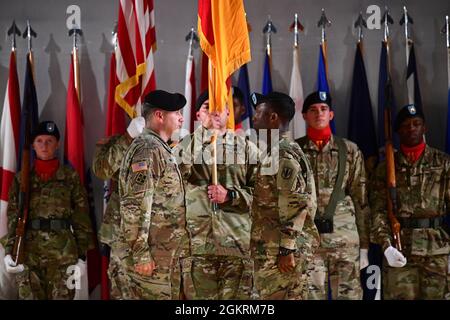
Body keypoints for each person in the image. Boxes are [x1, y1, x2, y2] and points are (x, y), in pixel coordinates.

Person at [175, 90, 258, 300]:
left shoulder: (248, 149)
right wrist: (204, 136)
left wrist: (231, 196)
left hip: (237, 245)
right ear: (197, 116)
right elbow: (171, 186)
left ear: (229, 112)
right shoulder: (183, 147)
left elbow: (264, 197)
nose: (214, 113)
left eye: (220, 107)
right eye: (207, 108)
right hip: (198, 246)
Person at [2, 121, 94, 299]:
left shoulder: (70, 177)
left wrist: (82, 256)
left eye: (49, 141)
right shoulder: (21, 179)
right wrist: (8, 252)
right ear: (33, 145)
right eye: (39, 141)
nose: (44, 146)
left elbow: (81, 217)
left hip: (63, 254)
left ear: (57, 144)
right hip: (28, 254)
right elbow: (14, 217)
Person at [370, 104, 450, 299]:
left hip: (436, 250)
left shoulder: (443, 162)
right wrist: (386, 245)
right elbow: (378, 211)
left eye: (416, 124)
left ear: (425, 128)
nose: (411, 128)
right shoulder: (385, 168)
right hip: (400, 249)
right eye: (406, 125)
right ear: (398, 131)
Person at [296, 91, 371, 300]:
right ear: (304, 116)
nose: (318, 113)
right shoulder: (294, 151)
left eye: (323, 109)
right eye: (312, 110)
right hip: (308, 240)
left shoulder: (349, 150)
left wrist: (365, 245)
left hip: (344, 239)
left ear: (331, 115)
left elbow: (361, 199)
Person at [116, 90, 188, 299]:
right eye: (177, 113)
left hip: (164, 256)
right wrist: (140, 254)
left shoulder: (160, 148)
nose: (182, 118)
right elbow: (135, 206)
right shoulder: (148, 149)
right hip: (151, 260)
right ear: (159, 116)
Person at [250, 91, 319, 299]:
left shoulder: (282, 153)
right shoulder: (274, 151)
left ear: (273, 117)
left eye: (258, 112)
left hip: (281, 252)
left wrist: (286, 249)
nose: (254, 117)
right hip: (272, 247)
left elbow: (297, 202)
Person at [92, 116, 145, 299]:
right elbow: (101, 170)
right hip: (122, 232)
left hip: (157, 235)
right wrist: (128, 137)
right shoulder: (114, 143)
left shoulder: (168, 143)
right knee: (122, 292)